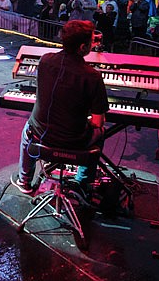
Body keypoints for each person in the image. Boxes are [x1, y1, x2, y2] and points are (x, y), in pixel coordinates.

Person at [14, 20, 108, 199]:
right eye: (90, 41)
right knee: (100, 131)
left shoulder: (45, 61)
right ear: (83, 47)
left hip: (40, 135)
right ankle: (83, 183)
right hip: (75, 142)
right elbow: (98, 121)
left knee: (28, 129)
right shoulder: (92, 76)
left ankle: (24, 181)